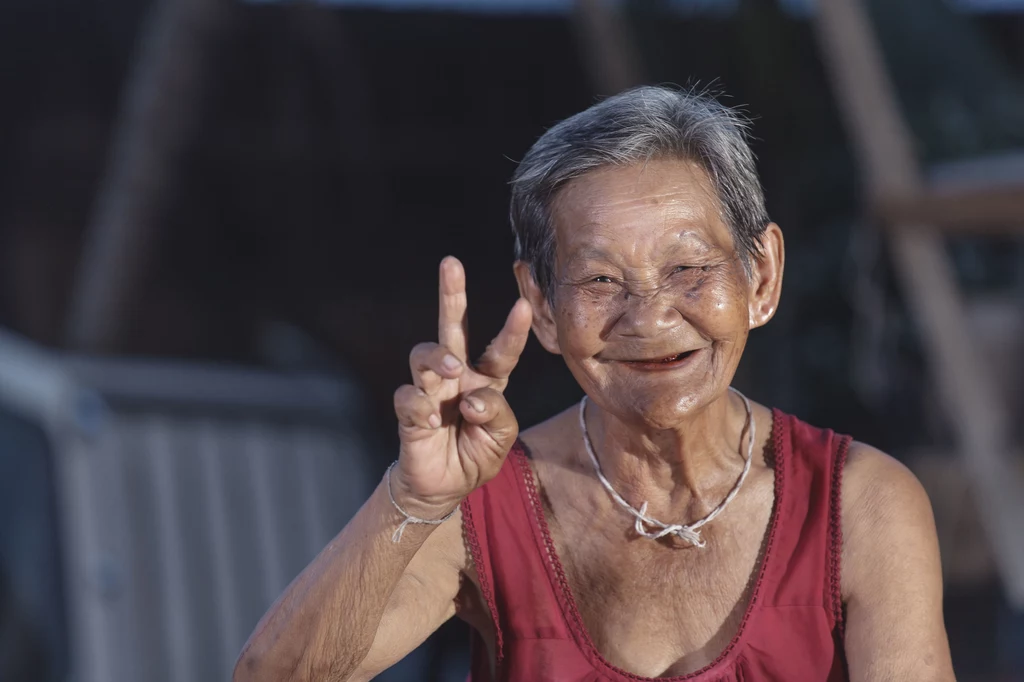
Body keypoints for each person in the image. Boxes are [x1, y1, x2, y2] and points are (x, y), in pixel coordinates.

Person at [233, 86, 955, 682]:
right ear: (543, 306)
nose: (649, 316)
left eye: (688, 268)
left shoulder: (858, 505)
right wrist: (413, 499)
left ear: (760, 277)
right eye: (601, 280)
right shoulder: (487, 503)